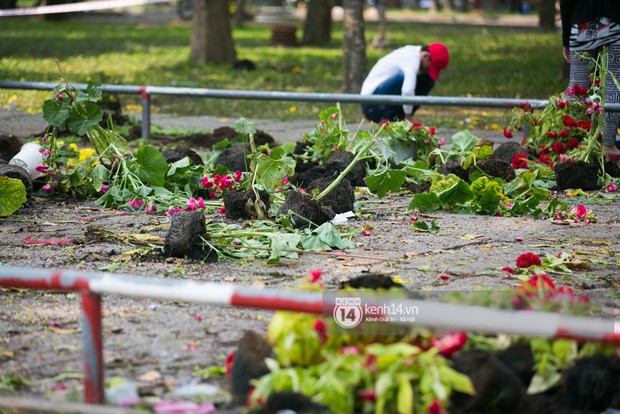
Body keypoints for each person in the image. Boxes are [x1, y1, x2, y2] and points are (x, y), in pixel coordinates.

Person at [560, 0, 620, 161]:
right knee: (613, 85)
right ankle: (608, 145)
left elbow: (566, 3)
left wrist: (566, 40)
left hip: (581, 25)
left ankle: (574, 144)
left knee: (577, 89)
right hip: (615, 23)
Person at [360, 43, 450, 123]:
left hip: (383, 100)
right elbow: (407, 90)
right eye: (431, 67)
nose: (428, 70)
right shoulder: (411, 58)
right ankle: (387, 120)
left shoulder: (417, 55)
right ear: (426, 56)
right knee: (403, 78)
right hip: (371, 105)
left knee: (429, 79)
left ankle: (399, 119)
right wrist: (408, 115)